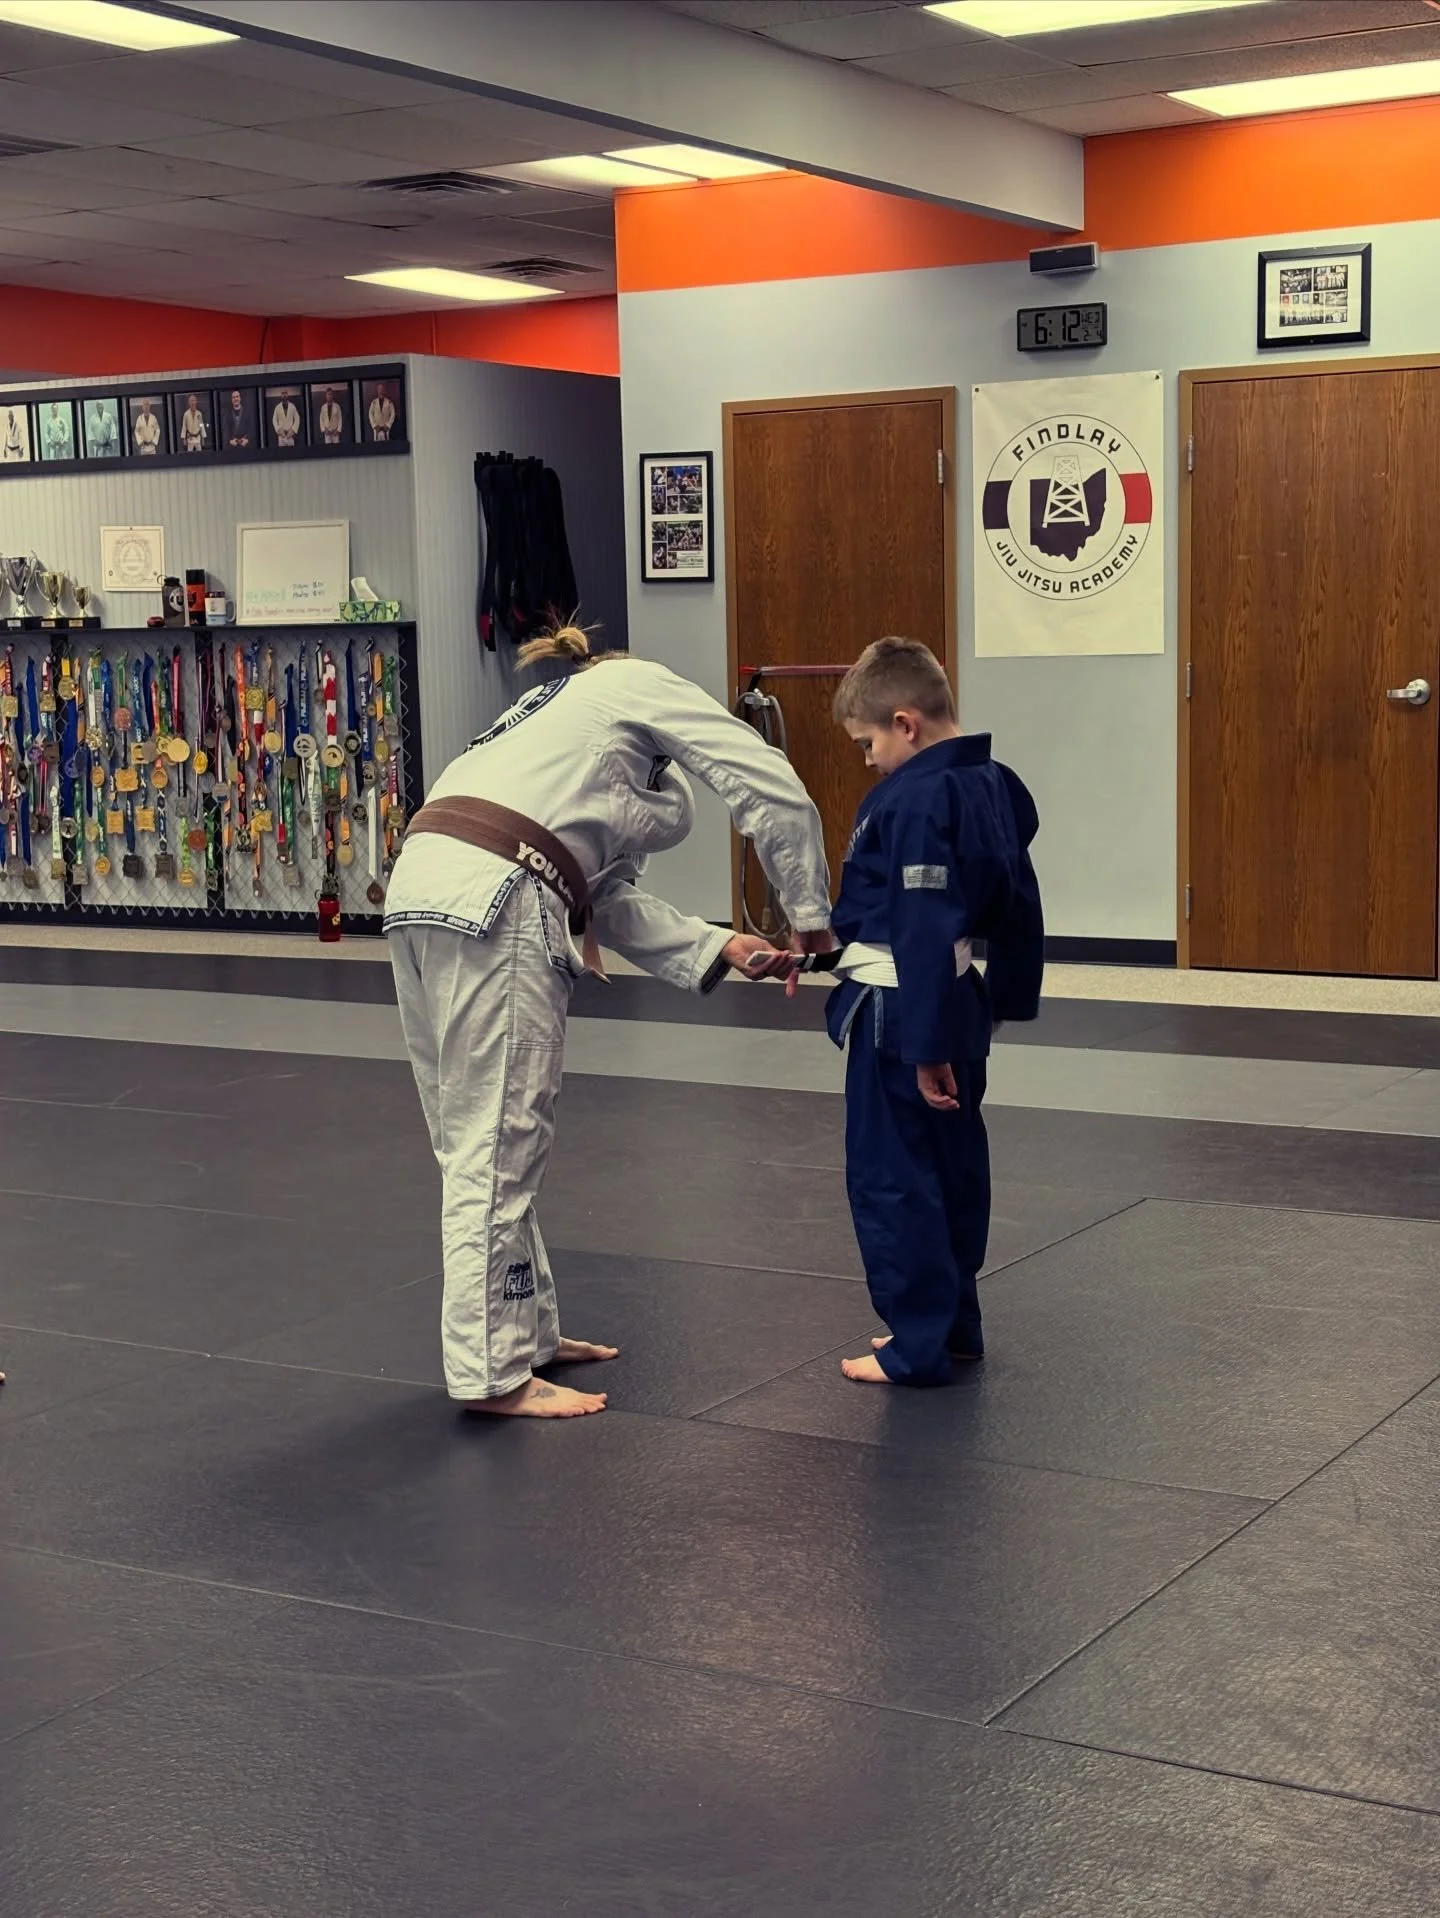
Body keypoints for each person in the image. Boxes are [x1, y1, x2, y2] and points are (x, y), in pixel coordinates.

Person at [385, 625, 834, 1420]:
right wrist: (809, 915)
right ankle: (494, 1375)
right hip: (498, 897)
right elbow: (770, 785)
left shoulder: (536, 724)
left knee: (472, 1138)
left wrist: (719, 945)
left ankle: (526, 1333)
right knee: (498, 1143)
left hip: (420, 888)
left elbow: (604, 894)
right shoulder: (635, 685)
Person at [824, 637, 1043, 1388]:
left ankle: (915, 1344)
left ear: (906, 724)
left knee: (894, 1174)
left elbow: (919, 924)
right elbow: (1019, 899)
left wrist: (924, 1047)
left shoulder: (916, 798)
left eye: (868, 742)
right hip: (956, 999)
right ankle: (954, 1328)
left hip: (901, 1009)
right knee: (952, 1169)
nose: (866, 760)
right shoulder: (994, 781)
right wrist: (1007, 997)